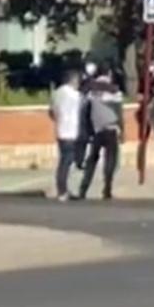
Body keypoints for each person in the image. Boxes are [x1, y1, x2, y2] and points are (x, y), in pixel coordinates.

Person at [78, 64, 124, 200]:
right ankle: (107, 189)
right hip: (110, 128)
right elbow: (119, 113)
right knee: (111, 160)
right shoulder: (114, 90)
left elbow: (83, 108)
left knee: (92, 159)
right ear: (109, 74)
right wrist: (123, 131)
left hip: (95, 129)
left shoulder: (90, 89)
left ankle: (83, 189)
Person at [49, 70, 82, 202]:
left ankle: (62, 189)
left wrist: (59, 119)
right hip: (71, 131)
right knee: (66, 162)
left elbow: (51, 112)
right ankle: (62, 191)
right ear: (73, 80)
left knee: (64, 161)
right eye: (77, 81)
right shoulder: (75, 95)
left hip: (60, 130)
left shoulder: (56, 93)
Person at [74, 60, 98, 170]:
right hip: (85, 112)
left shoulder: (87, 82)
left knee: (85, 138)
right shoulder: (86, 82)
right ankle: (81, 160)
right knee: (84, 138)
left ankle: (81, 160)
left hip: (88, 112)